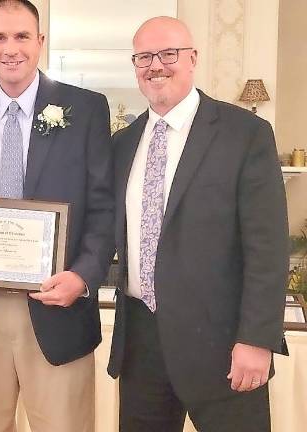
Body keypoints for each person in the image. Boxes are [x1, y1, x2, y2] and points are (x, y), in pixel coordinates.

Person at [0, 1, 115, 431]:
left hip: (57, 303)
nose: (10, 48)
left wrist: (83, 276)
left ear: (40, 42)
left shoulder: (85, 109)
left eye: (21, 36)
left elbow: (104, 207)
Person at [107, 16, 289, 432]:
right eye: (144, 57)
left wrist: (258, 339)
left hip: (224, 345)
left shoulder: (246, 134)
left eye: (168, 53)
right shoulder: (121, 144)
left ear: (192, 58)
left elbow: (268, 247)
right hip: (141, 344)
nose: (156, 65)